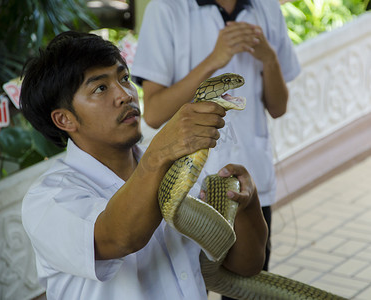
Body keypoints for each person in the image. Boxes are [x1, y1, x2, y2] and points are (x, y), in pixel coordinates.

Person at [20, 31, 268, 300]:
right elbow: (118, 237)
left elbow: (247, 266)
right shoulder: (48, 198)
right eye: (101, 88)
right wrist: (161, 152)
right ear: (65, 120)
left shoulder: (181, 171)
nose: (125, 94)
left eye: (124, 78)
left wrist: (247, 204)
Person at [131, 0, 301, 288]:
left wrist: (269, 59)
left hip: (249, 186)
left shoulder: (266, 7)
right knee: (190, 285)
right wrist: (215, 59)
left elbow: (279, 107)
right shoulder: (166, 8)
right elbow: (155, 113)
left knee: (247, 282)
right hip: (189, 193)